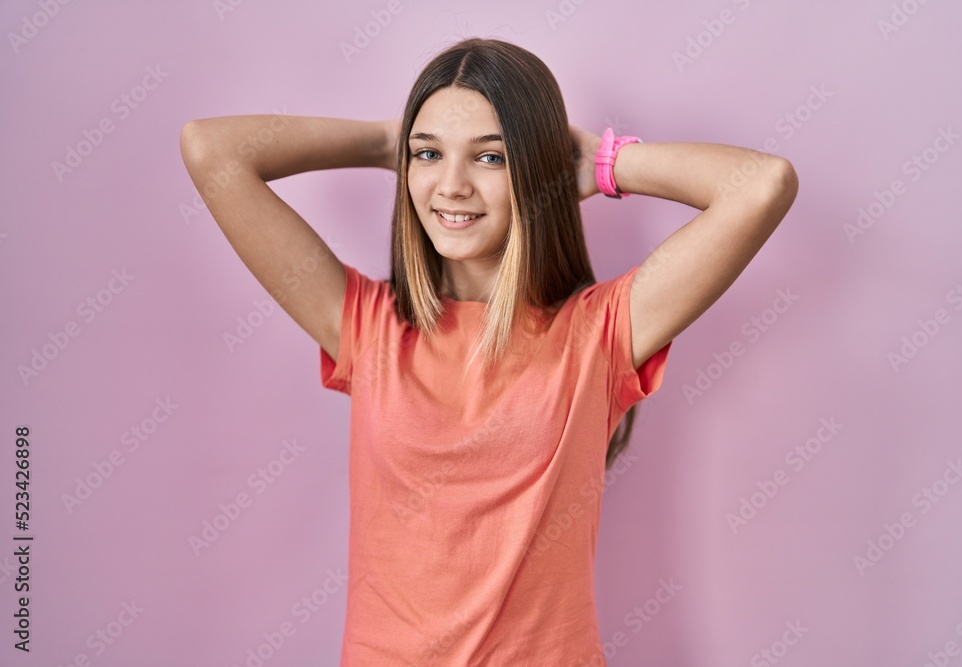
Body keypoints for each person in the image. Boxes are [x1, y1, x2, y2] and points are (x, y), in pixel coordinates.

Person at [179, 37, 797, 666]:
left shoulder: (600, 334)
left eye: (491, 158)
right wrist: (384, 142)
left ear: (531, 170)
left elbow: (762, 184)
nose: (451, 186)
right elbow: (211, 148)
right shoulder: (367, 326)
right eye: (429, 155)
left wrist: (602, 164)